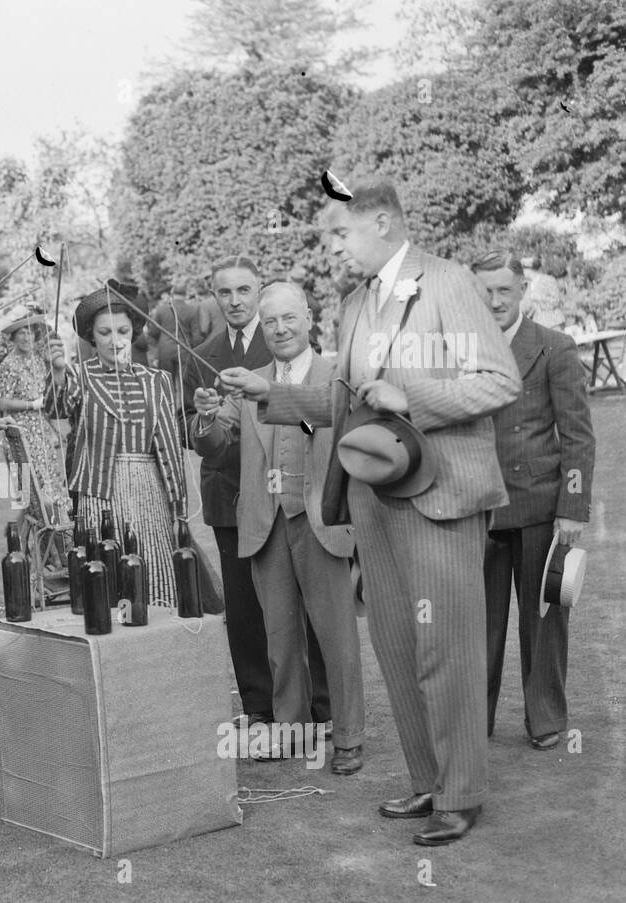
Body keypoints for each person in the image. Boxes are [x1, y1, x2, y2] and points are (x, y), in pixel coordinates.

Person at [220, 177, 521, 846]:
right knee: (394, 643)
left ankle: (462, 791)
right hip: (373, 500)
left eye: (342, 232)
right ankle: (427, 780)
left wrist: (409, 392)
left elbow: (500, 379)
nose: (335, 245)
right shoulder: (353, 305)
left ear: (382, 222)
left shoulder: (448, 282)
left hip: (442, 497)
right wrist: (266, 391)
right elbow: (346, 405)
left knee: (447, 645)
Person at [191, 282, 365, 772]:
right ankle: (292, 733)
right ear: (261, 329)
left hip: (322, 521)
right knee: (280, 637)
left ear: (309, 319)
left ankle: (349, 735)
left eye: (289, 318)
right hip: (265, 523)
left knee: (337, 637)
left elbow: (329, 420)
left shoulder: (337, 376)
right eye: (271, 322)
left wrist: (271, 393)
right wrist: (205, 419)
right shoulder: (250, 381)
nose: (281, 328)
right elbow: (216, 446)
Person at [182, 257, 331, 732]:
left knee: (308, 602)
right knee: (245, 608)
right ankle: (261, 708)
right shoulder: (199, 353)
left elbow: (318, 418)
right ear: (214, 295)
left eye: (244, 290)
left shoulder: (291, 345)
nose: (235, 301)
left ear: (259, 291)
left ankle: (323, 706)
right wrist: (206, 416)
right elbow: (196, 433)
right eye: (224, 293)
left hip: (294, 491)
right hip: (232, 493)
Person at [472, 249, 595, 749]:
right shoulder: (458, 351)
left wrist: (572, 508)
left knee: (544, 620)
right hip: (476, 508)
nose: (495, 299)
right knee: (476, 625)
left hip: (539, 508)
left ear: (522, 290)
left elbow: (578, 437)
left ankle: (545, 719)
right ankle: (472, 721)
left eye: (504, 289)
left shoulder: (553, 347)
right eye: (485, 291)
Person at [48, 281, 215, 608]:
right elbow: (57, 408)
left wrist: (178, 506)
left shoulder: (157, 381)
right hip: (99, 495)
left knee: (154, 583)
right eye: (105, 332)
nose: (114, 339)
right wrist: (56, 373)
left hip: (147, 491)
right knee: (105, 581)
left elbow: (168, 444)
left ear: (134, 331)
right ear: (91, 336)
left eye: (122, 330)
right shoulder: (79, 377)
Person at [0, 308, 71, 544]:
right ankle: (42, 544)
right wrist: (31, 404)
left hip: (43, 434)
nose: (27, 338)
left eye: (30, 333)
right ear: (13, 337)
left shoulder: (40, 361)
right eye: (21, 333)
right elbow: (2, 401)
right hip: (21, 435)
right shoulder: (7, 366)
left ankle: (20, 536)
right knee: (34, 492)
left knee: (47, 491)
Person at [148, 283, 211, 379]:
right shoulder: (191, 310)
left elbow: (153, 332)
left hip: (165, 350)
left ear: (172, 293)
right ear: (185, 294)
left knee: (166, 382)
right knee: (184, 383)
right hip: (184, 350)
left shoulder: (161, 309)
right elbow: (196, 336)